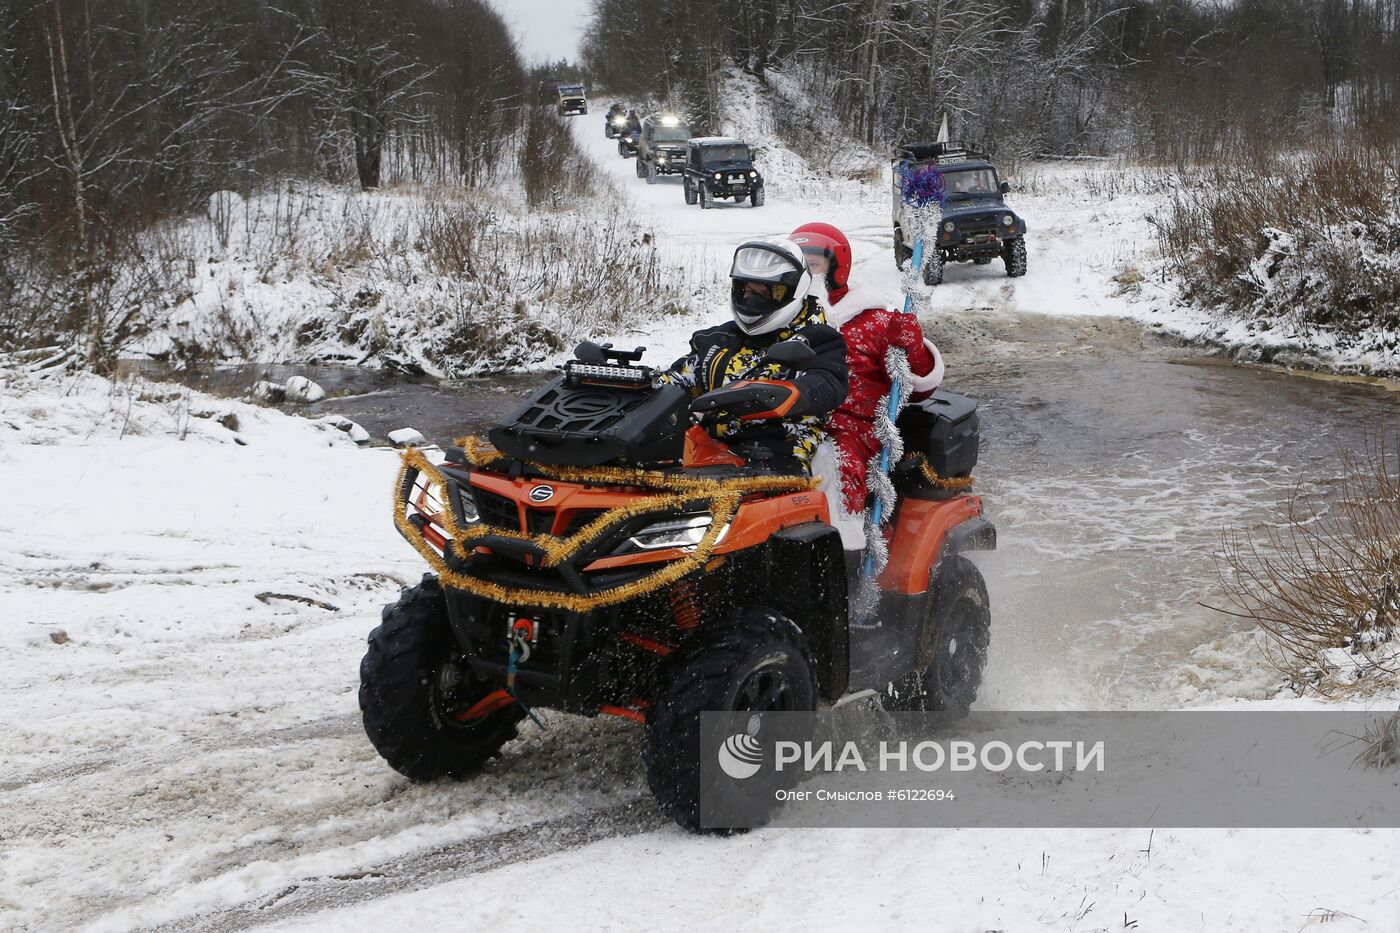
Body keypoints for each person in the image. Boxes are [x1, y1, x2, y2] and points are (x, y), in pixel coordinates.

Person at [790, 221, 944, 514]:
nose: (807, 275)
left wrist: (912, 346)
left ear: (837, 267)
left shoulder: (872, 322)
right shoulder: (785, 320)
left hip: (849, 429)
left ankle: (847, 546)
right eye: (800, 267)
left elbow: (919, 386)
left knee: (831, 463)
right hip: (791, 422)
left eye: (813, 265)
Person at [660, 237, 848, 475]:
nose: (752, 299)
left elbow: (829, 382)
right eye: (746, 290)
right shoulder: (718, 338)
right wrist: (642, 386)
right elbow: (681, 379)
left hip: (781, 449)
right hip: (708, 448)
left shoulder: (818, 338)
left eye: (765, 292)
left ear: (793, 291)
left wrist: (785, 394)